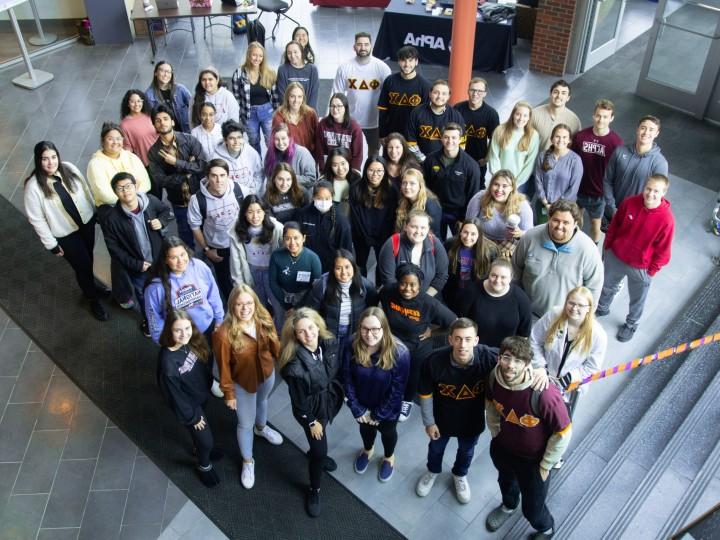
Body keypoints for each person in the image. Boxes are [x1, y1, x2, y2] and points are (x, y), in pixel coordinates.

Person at [484, 336, 572, 539]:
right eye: (506, 357)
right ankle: (508, 506)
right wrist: (495, 431)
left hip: (534, 461)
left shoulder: (544, 394)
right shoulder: (493, 378)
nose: (510, 365)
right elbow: (491, 405)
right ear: (499, 358)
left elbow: (563, 432)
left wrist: (546, 464)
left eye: (518, 361)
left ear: (527, 364)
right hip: (504, 448)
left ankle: (546, 528)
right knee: (506, 482)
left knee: (533, 508)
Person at [24, 141, 110, 321]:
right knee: (83, 265)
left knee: (88, 258)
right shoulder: (33, 187)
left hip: (85, 224)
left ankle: (91, 285)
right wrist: (51, 245)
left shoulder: (68, 168)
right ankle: (92, 299)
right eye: (45, 159)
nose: (50, 162)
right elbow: (36, 220)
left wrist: (93, 212)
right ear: (38, 161)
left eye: (53, 157)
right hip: (65, 235)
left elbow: (85, 190)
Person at [416, 318, 497, 503]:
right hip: (441, 418)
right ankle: (432, 470)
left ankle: (460, 475)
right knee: (436, 449)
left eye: (468, 339)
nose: (463, 344)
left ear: (476, 340)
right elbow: (425, 393)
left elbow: (516, 360)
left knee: (467, 451)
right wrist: (429, 422)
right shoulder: (434, 361)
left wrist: (537, 371)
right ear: (450, 339)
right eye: (458, 339)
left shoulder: (489, 357)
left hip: (472, 419)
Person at [214, 284, 283, 489]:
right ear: (232, 306)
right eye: (239, 304)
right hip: (243, 383)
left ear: (255, 302)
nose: (245, 308)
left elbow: (274, 344)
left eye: (249, 303)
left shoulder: (264, 318)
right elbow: (223, 366)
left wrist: (283, 362)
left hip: (267, 374)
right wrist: (229, 393)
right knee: (245, 424)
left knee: (262, 401)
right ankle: (248, 461)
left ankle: (261, 428)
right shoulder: (223, 334)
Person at [279, 308, 344, 517]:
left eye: (310, 327)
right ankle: (314, 490)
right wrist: (311, 422)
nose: (308, 334)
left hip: (328, 400)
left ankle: (316, 453)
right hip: (311, 410)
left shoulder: (329, 343)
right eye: (301, 332)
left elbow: (336, 370)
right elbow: (298, 403)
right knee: (319, 451)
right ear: (295, 336)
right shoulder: (294, 366)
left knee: (319, 444)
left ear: (318, 325)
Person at [596, 174, 674, 342]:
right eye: (648, 188)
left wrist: (651, 271)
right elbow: (615, 225)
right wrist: (609, 247)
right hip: (616, 256)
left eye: (656, 191)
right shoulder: (630, 202)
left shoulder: (667, 220)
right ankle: (602, 307)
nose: (650, 194)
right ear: (644, 187)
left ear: (663, 193)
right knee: (607, 286)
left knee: (637, 300)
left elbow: (664, 251)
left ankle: (631, 324)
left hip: (640, 268)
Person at [145, 236, 225, 396]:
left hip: (205, 328)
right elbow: (154, 318)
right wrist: (165, 342)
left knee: (207, 359)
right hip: (181, 337)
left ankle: (209, 382)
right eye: (173, 257)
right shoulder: (156, 287)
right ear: (165, 260)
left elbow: (213, 293)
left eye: (182, 255)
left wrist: (219, 318)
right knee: (190, 368)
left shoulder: (200, 267)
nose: (180, 261)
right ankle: (193, 391)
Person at [101, 172, 174, 336]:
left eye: (128, 186)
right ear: (115, 193)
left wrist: (161, 222)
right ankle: (151, 322)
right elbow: (114, 248)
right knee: (143, 295)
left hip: (160, 260)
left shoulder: (150, 202)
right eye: (120, 188)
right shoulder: (112, 219)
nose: (126, 191)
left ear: (135, 186)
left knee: (167, 287)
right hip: (138, 267)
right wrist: (136, 264)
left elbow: (166, 211)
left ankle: (171, 316)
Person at [380, 264, 456, 422]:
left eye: (413, 284)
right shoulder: (388, 292)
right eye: (403, 283)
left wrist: (432, 331)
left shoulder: (428, 303)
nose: (407, 288)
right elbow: (377, 304)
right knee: (390, 370)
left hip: (417, 347)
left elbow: (454, 322)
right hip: (393, 342)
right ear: (397, 282)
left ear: (420, 285)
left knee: (411, 375)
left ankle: (407, 401)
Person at [343, 307, 410, 482]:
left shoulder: (400, 353)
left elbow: (397, 390)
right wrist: (357, 408)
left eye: (375, 329)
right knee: (366, 431)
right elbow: (347, 378)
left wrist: (378, 414)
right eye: (365, 328)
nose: (369, 334)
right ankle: (367, 450)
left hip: (387, 410)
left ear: (384, 329)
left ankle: (389, 457)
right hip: (363, 405)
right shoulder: (352, 343)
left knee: (388, 434)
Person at [157, 310, 220, 487]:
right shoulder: (168, 363)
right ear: (169, 331)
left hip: (201, 394)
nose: (184, 334)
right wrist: (193, 417)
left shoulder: (190, 341)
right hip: (190, 406)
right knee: (206, 441)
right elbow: (174, 396)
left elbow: (203, 363)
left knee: (201, 440)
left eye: (187, 328)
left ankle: (197, 448)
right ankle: (204, 465)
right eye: (178, 330)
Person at [513, 199, 603, 318]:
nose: (560, 226)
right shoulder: (530, 237)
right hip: (528, 313)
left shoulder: (588, 249)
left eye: (566, 222)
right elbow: (515, 271)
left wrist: (584, 318)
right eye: (556, 220)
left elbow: (593, 288)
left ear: (575, 223)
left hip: (564, 318)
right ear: (549, 219)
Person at [530, 286, 607, 420]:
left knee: (555, 418)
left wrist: (571, 377)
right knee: (532, 412)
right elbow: (535, 340)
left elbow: (592, 367)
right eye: (571, 303)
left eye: (580, 305)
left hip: (569, 387)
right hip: (541, 377)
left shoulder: (598, 335)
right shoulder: (554, 315)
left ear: (589, 308)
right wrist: (540, 367)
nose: (574, 308)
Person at [147, 104, 207, 249]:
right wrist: (186, 170)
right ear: (154, 125)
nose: (162, 123)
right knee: (185, 235)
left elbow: (202, 166)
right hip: (179, 201)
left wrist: (176, 162)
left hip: (200, 196)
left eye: (166, 119)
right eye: (158, 120)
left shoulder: (189, 140)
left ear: (173, 121)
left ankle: (209, 257)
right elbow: (160, 181)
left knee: (207, 230)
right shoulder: (154, 153)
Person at [305, 249, 378, 358]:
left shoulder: (365, 285)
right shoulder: (322, 285)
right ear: (333, 270)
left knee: (350, 358)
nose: (344, 272)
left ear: (354, 267)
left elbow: (372, 308)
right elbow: (311, 312)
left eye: (347, 267)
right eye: (338, 268)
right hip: (329, 332)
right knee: (332, 360)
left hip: (354, 331)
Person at [188, 159, 242, 301]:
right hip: (218, 247)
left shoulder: (238, 190)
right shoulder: (197, 200)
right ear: (207, 177)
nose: (219, 180)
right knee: (224, 279)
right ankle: (231, 306)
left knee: (243, 275)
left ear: (228, 176)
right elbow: (195, 226)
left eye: (222, 175)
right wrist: (207, 249)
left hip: (239, 242)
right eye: (214, 175)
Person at [332, 32, 391, 158]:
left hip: (375, 123)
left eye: (366, 44)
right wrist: (336, 121)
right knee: (348, 153)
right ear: (354, 47)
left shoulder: (383, 68)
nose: (363, 47)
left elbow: (388, 98)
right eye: (359, 44)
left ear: (371, 47)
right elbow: (337, 96)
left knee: (373, 154)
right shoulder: (344, 68)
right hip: (351, 121)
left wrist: (386, 123)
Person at [572, 99, 624, 244]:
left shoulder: (616, 143)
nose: (601, 120)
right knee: (575, 218)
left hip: (598, 194)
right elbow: (572, 160)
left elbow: (617, 172)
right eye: (598, 115)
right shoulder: (581, 137)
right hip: (578, 189)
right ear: (593, 115)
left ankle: (593, 248)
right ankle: (575, 240)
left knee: (596, 224)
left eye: (605, 116)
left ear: (611, 118)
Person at [228, 195, 285, 326]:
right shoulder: (236, 231)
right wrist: (239, 285)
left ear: (264, 212)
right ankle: (264, 334)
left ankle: (281, 335)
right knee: (258, 307)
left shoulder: (276, 228)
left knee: (279, 307)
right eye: (250, 212)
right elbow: (235, 261)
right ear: (244, 214)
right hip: (251, 272)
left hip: (271, 272)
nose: (255, 216)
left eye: (259, 211)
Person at [423, 122, 483, 238]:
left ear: (460, 139)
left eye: (454, 138)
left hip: (458, 213)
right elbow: (425, 187)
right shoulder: (430, 160)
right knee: (435, 242)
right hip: (435, 210)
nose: (450, 141)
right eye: (446, 137)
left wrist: (465, 219)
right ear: (441, 138)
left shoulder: (471, 165)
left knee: (459, 244)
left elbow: (473, 196)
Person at [603, 115, 668, 219]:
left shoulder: (660, 163)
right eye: (643, 128)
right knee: (609, 235)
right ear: (637, 129)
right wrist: (612, 207)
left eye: (651, 130)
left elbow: (657, 195)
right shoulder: (620, 151)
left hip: (636, 217)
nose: (646, 133)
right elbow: (607, 180)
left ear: (656, 134)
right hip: (611, 211)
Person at [349, 156, 398, 282]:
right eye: (371, 170)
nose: (375, 174)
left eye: (379, 171)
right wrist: (365, 236)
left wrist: (382, 237)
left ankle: (379, 291)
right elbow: (355, 217)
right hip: (361, 235)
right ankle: (361, 288)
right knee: (360, 264)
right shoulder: (356, 188)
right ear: (365, 170)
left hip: (383, 235)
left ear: (385, 172)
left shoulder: (391, 190)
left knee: (382, 264)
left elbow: (390, 218)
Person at [378, 209, 449, 296]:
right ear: (405, 226)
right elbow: (388, 279)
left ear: (428, 229)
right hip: (397, 297)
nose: (418, 232)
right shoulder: (392, 243)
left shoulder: (435, 243)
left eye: (423, 227)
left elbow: (441, 276)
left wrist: (423, 299)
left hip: (428, 298)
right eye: (414, 226)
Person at [465, 170, 534, 256]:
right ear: (490, 185)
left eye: (504, 186)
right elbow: (468, 223)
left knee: (503, 265)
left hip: (509, 243)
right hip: (483, 239)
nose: (499, 189)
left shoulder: (522, 205)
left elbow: (530, 233)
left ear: (512, 188)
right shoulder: (480, 198)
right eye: (496, 184)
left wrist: (520, 233)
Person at [468, 259, 532, 348]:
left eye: (503, 277)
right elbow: (461, 321)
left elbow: (524, 334)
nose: (498, 280)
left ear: (511, 278)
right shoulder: (472, 291)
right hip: (475, 349)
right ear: (488, 274)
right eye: (494, 275)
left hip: (506, 354)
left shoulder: (521, 299)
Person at [231, 41, 279, 155]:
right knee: (254, 142)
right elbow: (236, 98)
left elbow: (275, 97)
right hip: (249, 113)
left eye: (260, 56)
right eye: (254, 55)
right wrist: (240, 117)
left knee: (271, 141)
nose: (257, 58)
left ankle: (273, 167)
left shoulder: (269, 73)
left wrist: (277, 114)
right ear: (248, 55)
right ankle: (257, 166)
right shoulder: (238, 74)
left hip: (267, 112)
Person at [86, 122, 152, 206]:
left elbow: (146, 183)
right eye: (110, 139)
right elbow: (104, 195)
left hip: (138, 202)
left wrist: (131, 199)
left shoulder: (130, 156)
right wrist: (130, 197)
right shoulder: (95, 164)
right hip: (112, 207)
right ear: (102, 141)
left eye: (118, 138)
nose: (115, 142)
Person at [443, 218, 498, 317]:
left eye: (473, 234)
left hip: (476, 292)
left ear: (479, 235)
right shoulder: (450, 244)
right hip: (454, 290)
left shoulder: (490, 250)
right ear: (460, 232)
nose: (468, 237)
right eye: (465, 232)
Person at [295, 181, 353, 273]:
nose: (323, 202)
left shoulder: (341, 221)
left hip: (330, 268)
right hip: (306, 264)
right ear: (313, 197)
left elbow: (346, 250)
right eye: (319, 198)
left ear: (332, 198)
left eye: (327, 198)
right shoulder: (302, 215)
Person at [377, 45, 431, 142]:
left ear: (416, 62)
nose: (407, 64)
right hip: (392, 135)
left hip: (414, 137)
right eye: (403, 60)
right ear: (398, 61)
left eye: (410, 60)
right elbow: (383, 111)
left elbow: (427, 116)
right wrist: (382, 134)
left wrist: (423, 139)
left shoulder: (425, 86)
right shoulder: (389, 81)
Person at [269, 222, 322, 319]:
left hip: (306, 300)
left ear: (303, 238)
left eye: (296, 238)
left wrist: (298, 307)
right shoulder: (276, 256)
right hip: (282, 298)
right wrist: (287, 305)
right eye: (288, 238)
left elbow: (316, 287)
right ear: (283, 239)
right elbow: (273, 282)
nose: (292, 242)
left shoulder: (313, 258)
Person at [533, 124, 583, 223]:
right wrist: (546, 203)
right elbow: (538, 181)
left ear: (569, 140)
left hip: (564, 209)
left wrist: (556, 206)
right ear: (552, 139)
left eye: (564, 137)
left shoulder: (575, 160)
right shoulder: (542, 156)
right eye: (557, 136)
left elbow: (573, 188)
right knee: (540, 232)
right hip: (543, 205)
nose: (561, 140)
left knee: (558, 235)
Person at [406, 79, 465, 163]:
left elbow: (461, 143)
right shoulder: (417, 112)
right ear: (430, 94)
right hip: (419, 161)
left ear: (449, 96)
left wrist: (448, 160)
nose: (439, 97)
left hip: (446, 163)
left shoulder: (456, 116)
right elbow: (410, 142)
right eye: (436, 92)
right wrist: (425, 161)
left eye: (444, 94)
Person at [488, 101, 540, 195]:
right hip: (499, 181)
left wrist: (515, 184)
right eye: (518, 114)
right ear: (513, 115)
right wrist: (500, 181)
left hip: (519, 184)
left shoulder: (533, 135)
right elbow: (493, 157)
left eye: (525, 116)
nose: (521, 118)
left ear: (529, 118)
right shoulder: (500, 130)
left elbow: (530, 164)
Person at [455, 77, 500, 180]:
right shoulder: (458, 108)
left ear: (485, 93)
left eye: (479, 91)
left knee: (477, 186)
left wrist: (486, 159)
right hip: (458, 157)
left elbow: (494, 139)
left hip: (478, 160)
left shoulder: (491, 114)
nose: (475, 94)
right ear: (468, 91)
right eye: (473, 90)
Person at [212, 120, 264, 197]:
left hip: (250, 194)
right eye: (232, 138)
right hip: (229, 197)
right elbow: (215, 182)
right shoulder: (215, 157)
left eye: (239, 137)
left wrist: (253, 191)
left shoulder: (251, 152)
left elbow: (259, 174)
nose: (236, 142)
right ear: (225, 140)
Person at [316, 92, 364, 170]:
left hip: (348, 169)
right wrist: (323, 171)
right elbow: (319, 151)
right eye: (332, 106)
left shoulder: (354, 127)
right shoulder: (322, 124)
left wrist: (353, 174)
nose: (335, 109)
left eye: (339, 106)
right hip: (329, 168)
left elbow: (357, 156)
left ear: (345, 107)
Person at [531, 80, 582, 150]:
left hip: (560, 160)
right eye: (556, 92)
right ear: (550, 94)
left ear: (568, 98)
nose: (559, 96)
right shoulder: (534, 114)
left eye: (563, 93)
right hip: (536, 159)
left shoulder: (574, 121)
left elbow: (574, 147)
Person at [264, 122, 317, 189]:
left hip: (299, 193)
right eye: (277, 139)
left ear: (289, 137)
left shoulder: (302, 153)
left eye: (283, 138)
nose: (280, 143)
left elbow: (311, 179)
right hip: (278, 194)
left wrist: (288, 178)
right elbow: (269, 179)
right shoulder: (270, 154)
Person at [272, 82, 319, 157]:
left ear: (303, 98)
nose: (296, 100)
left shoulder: (311, 114)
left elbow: (318, 139)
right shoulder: (279, 115)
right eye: (292, 96)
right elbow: (276, 142)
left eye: (299, 96)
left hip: (309, 156)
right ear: (287, 97)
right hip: (288, 157)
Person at [145, 60, 192, 133]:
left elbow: (193, 106)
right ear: (155, 73)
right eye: (162, 71)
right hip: (164, 134)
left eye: (168, 72)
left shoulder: (180, 89)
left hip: (185, 131)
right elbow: (149, 119)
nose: (165, 74)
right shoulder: (148, 95)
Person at [395, 168, 442, 238]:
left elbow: (432, 235)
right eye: (404, 183)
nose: (407, 187)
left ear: (420, 185)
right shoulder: (404, 200)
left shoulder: (430, 205)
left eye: (412, 183)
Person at [318, 147, 361, 218]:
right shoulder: (324, 180)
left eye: (343, 163)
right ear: (330, 166)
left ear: (349, 162)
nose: (340, 169)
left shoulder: (357, 177)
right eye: (335, 165)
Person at [277, 40, 319, 111]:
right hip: (289, 111)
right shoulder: (282, 69)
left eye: (295, 52)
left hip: (308, 111)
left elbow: (313, 96)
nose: (292, 56)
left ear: (301, 52)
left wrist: (307, 114)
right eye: (289, 53)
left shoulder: (312, 69)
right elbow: (282, 96)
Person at [119, 89, 158, 166]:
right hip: (148, 163)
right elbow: (127, 148)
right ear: (128, 104)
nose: (136, 104)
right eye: (132, 102)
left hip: (165, 157)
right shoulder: (124, 125)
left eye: (139, 101)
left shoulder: (150, 115)